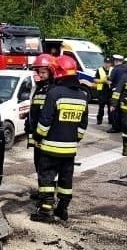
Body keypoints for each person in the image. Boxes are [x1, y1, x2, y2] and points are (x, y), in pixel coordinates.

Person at [32, 55, 89, 223]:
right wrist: (74, 139)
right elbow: (83, 125)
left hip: (50, 147)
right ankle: (62, 209)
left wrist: (38, 136)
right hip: (70, 149)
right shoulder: (82, 95)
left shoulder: (54, 93)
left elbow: (44, 122)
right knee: (66, 180)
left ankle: (45, 211)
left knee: (47, 179)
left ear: (57, 72)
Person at [26, 54, 56, 195]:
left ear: (51, 72)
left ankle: (47, 196)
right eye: (39, 72)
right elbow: (35, 110)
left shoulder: (53, 90)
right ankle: (42, 191)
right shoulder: (39, 88)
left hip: (46, 137)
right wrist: (28, 123)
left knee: (46, 168)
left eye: (43, 72)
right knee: (38, 165)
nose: (40, 75)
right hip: (37, 136)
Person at [107, 54, 127, 133]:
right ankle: (122, 126)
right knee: (122, 110)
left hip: (115, 92)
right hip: (124, 92)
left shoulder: (115, 69)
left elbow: (110, 81)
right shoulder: (126, 69)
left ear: (115, 61)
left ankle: (115, 127)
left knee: (114, 110)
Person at [94, 57, 112, 125]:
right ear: (104, 63)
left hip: (110, 91)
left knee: (110, 107)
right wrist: (103, 81)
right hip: (102, 91)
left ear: (111, 63)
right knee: (101, 107)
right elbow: (95, 80)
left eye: (109, 63)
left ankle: (111, 120)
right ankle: (99, 120)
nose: (107, 64)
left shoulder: (112, 70)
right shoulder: (99, 70)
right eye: (106, 63)